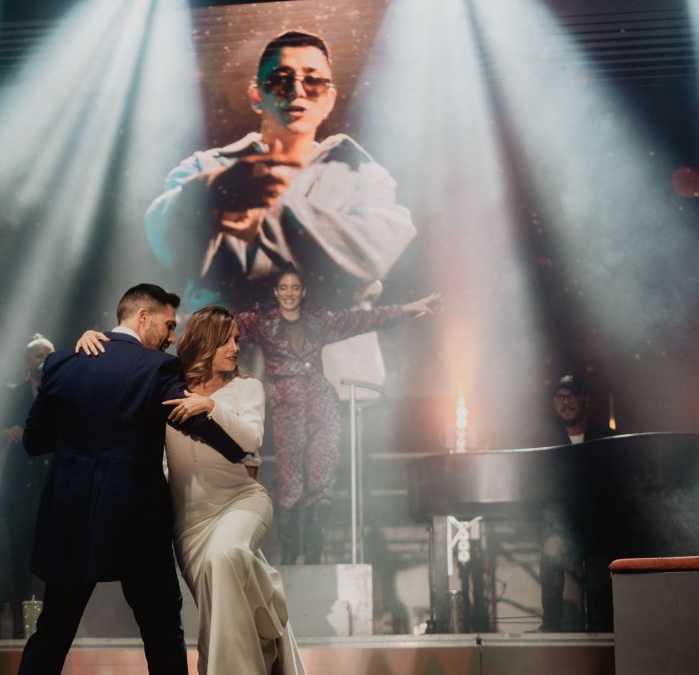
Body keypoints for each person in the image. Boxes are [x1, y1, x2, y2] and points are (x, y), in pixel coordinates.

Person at [144, 29, 417, 398]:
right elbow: (163, 237)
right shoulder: (206, 170)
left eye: (313, 81)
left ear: (330, 97)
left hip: (335, 385)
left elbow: (367, 257)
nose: (298, 91)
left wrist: (265, 217)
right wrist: (213, 192)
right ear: (257, 94)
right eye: (281, 80)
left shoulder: (364, 176)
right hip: (220, 387)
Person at [17, 284, 250, 675]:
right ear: (143, 317)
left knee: (53, 632)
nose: (172, 338)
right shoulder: (157, 368)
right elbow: (193, 419)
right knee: (161, 632)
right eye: (169, 326)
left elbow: (34, 441)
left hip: (72, 514)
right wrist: (238, 450)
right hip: (135, 519)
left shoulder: (62, 363)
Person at [76, 306, 305, 674]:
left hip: (242, 501)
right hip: (190, 523)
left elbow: (250, 439)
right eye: (225, 340)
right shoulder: (167, 386)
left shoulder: (247, 388)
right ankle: (265, 616)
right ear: (203, 342)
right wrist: (92, 339)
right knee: (222, 600)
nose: (234, 347)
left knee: (224, 557)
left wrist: (211, 406)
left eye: (237, 340)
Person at [236, 266, 439, 564]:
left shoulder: (320, 321)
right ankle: (292, 554)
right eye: (284, 288)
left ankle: (315, 554)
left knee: (321, 483)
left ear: (303, 292)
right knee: (290, 485)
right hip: (287, 406)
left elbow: (364, 319)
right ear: (276, 292)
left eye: (295, 287)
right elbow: (219, 328)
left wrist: (409, 309)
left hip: (322, 404)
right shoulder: (262, 322)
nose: (290, 293)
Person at [537, 374, 614, 632]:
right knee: (550, 547)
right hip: (562, 526)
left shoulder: (606, 438)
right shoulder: (544, 442)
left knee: (606, 561)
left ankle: (608, 626)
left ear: (585, 400)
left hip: (598, 526)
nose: (565, 403)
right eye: (559, 397)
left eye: (570, 396)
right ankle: (551, 626)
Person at [0, 333, 55, 629]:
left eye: (48, 354)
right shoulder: (12, 395)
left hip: (51, 489)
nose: (43, 359)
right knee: (20, 559)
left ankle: (50, 624)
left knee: (52, 558)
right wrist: (5, 433)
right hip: (19, 491)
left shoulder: (61, 394)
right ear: (26, 361)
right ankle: (23, 624)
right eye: (37, 354)